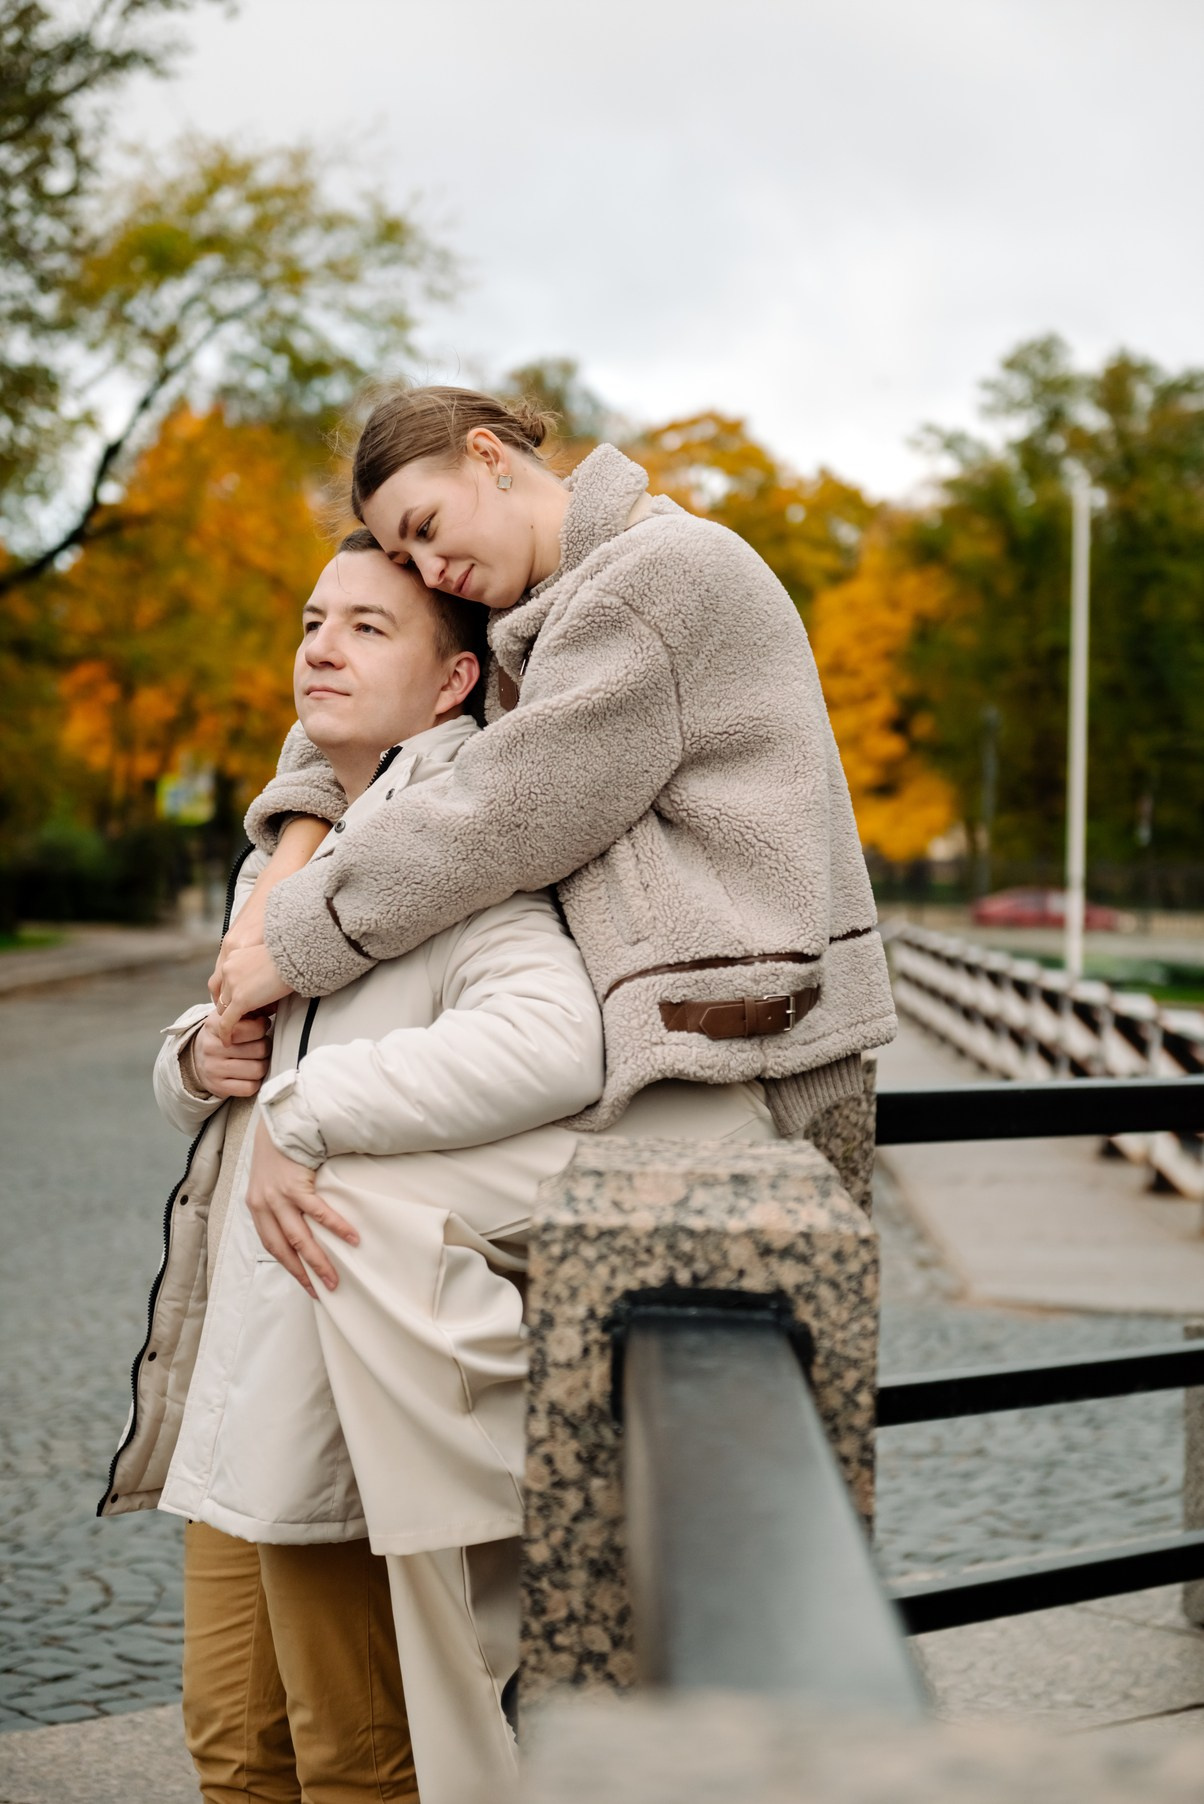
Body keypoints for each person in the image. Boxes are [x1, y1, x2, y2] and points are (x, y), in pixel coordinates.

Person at [102, 531, 607, 1803]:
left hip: (343, 1394)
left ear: (452, 684)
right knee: (234, 1752)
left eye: (369, 627)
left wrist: (301, 1105)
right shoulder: (294, 854)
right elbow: (223, 1047)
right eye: (314, 619)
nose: (320, 643)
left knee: (356, 1765)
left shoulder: (460, 860)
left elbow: (552, 1039)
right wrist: (197, 1056)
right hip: (238, 1386)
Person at [213, 385, 896, 1277]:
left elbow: (506, 813)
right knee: (345, 1196)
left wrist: (297, 938)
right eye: (400, 553)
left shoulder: (658, 578)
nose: (424, 568)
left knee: (347, 1200)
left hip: (744, 1066)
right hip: (672, 1056)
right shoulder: (528, 612)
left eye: (424, 527)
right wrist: (292, 852)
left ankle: (461, 1424)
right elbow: (343, 727)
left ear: (491, 458)